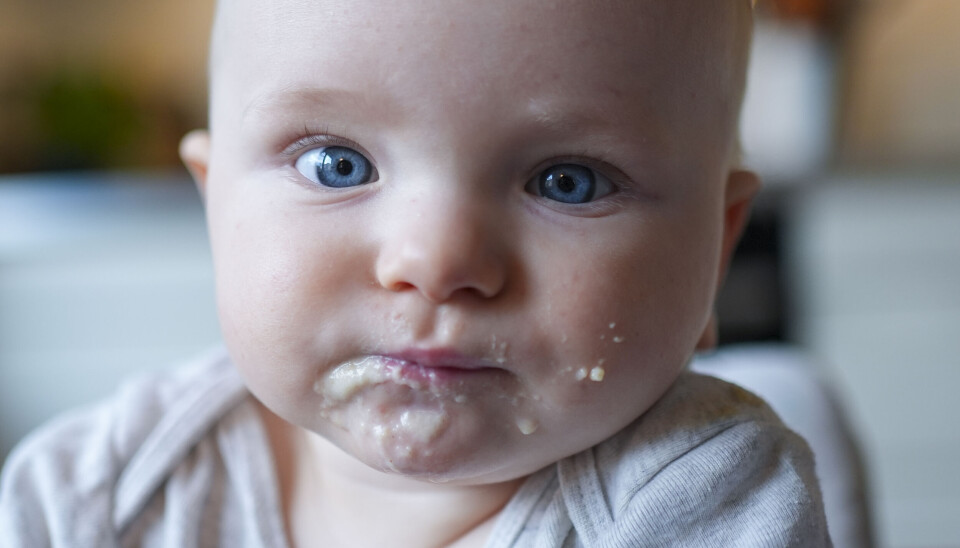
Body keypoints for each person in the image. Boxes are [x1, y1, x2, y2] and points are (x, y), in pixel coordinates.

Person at [0, 0, 831, 546]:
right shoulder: (94, 497)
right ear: (217, 211)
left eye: (565, 181)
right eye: (336, 164)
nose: (436, 264)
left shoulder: (704, 500)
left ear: (713, 254)